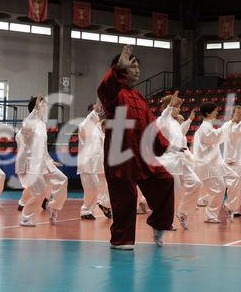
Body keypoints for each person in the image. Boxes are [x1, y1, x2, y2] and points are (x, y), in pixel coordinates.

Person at [97, 45, 175, 249]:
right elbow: (104, 88)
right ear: (121, 69)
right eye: (132, 67)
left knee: (165, 180)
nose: (138, 70)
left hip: (142, 154)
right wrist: (115, 71)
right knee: (125, 198)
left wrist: (164, 145)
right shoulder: (114, 93)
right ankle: (121, 239)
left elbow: (150, 123)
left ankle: (158, 223)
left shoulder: (138, 96)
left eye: (138, 66)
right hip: (120, 153)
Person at [17, 95, 68, 227]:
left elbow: (42, 148)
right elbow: (27, 125)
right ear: (36, 107)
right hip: (31, 165)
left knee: (63, 180)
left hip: (44, 163)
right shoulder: (28, 123)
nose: (45, 107)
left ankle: (53, 207)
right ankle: (25, 218)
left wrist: (51, 160)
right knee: (39, 193)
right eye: (42, 105)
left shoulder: (41, 124)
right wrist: (35, 109)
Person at [156, 92, 202, 230]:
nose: (179, 109)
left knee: (196, 183)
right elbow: (164, 117)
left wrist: (189, 121)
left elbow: (180, 135)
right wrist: (170, 105)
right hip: (169, 161)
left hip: (181, 160)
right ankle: (165, 222)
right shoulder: (161, 120)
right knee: (174, 194)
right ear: (167, 107)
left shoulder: (175, 122)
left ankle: (182, 213)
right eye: (177, 107)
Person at [192, 102, 241, 223]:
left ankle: (229, 206)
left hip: (216, 163)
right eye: (214, 110)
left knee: (235, 178)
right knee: (219, 189)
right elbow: (214, 138)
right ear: (208, 113)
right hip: (209, 165)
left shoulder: (208, 126)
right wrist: (230, 123)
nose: (217, 112)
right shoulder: (204, 127)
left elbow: (217, 139)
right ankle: (211, 215)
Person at [77, 101, 112, 220]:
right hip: (88, 165)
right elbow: (86, 124)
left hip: (99, 165)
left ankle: (104, 204)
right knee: (92, 189)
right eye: (97, 111)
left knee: (109, 185)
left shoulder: (99, 131)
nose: (100, 113)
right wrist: (95, 111)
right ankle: (86, 211)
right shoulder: (85, 127)